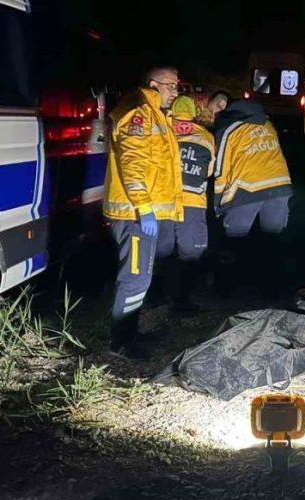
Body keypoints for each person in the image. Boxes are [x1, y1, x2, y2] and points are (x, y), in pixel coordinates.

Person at [102, 67, 183, 358]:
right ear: (153, 84)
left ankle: (130, 333)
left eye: (177, 87)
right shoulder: (139, 114)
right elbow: (132, 162)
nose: (176, 92)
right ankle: (121, 342)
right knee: (134, 278)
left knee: (141, 277)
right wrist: (144, 208)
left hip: (145, 212)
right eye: (171, 86)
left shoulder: (156, 114)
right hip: (135, 214)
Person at [212, 99, 294, 296]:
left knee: (234, 237)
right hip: (280, 184)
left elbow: (221, 168)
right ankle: (272, 289)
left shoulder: (229, 129)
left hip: (248, 187)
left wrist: (218, 203)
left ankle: (225, 288)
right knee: (272, 239)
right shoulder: (267, 123)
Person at [151, 95, 213, 313]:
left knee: (159, 250)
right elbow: (210, 170)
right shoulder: (206, 136)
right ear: (194, 113)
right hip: (193, 201)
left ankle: (154, 296)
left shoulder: (161, 132)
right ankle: (182, 301)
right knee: (191, 251)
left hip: (163, 200)